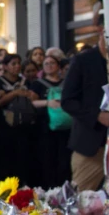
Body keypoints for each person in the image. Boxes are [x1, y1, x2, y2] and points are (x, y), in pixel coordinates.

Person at [62, 25, 109, 191]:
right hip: (90, 145)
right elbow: (67, 100)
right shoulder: (83, 61)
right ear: (102, 31)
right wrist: (97, 115)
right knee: (82, 200)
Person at [0, 55, 36, 183]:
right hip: (3, 127)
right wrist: (13, 93)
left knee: (22, 161)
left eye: (18, 63)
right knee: (5, 161)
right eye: (13, 63)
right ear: (5, 66)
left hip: (23, 126)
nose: (17, 66)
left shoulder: (25, 82)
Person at [31, 54, 72, 187]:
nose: (49, 66)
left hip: (66, 127)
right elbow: (32, 102)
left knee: (65, 159)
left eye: (52, 63)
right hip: (45, 126)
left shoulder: (67, 82)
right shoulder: (37, 84)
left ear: (58, 66)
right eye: (46, 64)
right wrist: (47, 102)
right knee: (48, 159)